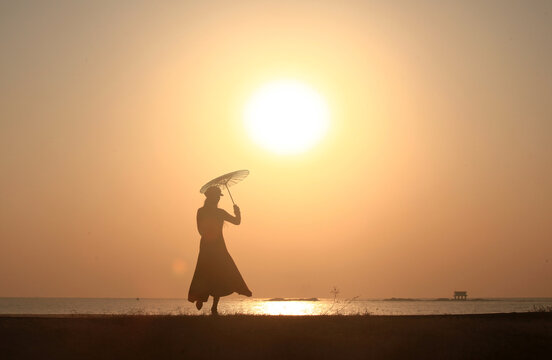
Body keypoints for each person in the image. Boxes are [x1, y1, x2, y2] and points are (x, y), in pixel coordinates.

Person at [188, 186, 252, 314]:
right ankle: (201, 297)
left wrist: (237, 212)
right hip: (208, 247)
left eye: (218, 197)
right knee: (204, 272)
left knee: (221, 274)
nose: (218, 199)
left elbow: (236, 221)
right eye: (216, 196)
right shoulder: (202, 211)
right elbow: (200, 230)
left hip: (218, 247)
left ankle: (214, 307)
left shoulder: (219, 212)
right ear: (211, 198)